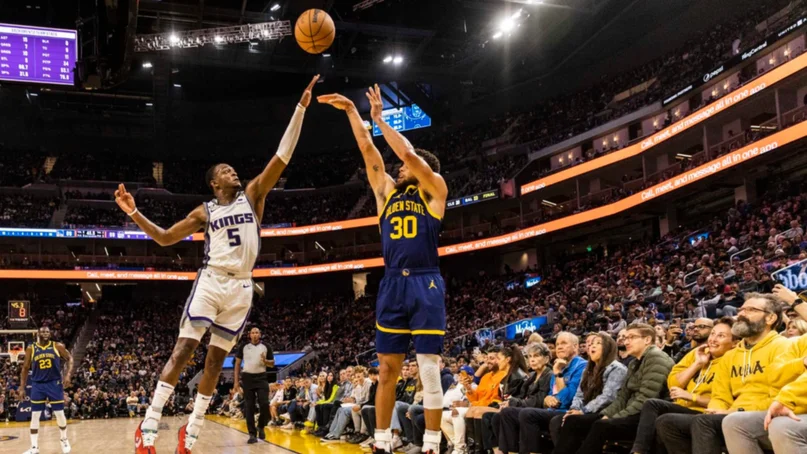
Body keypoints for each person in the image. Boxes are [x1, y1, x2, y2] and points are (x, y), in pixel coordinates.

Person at [123, 75, 319, 454]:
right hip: (212, 281)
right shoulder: (205, 210)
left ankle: (191, 433)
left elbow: (282, 156)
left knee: (215, 364)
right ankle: (148, 429)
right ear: (214, 183)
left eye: (233, 170)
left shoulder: (253, 196)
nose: (234, 173)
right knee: (183, 351)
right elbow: (165, 238)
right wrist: (134, 213)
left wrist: (300, 109)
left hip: (243, 287)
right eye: (226, 171)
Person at [319, 85, 449, 454]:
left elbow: (406, 151)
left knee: (427, 367)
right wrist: (351, 113)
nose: (398, 166)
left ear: (423, 170)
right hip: (392, 283)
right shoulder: (386, 195)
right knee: (387, 370)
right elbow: (369, 152)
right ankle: (380, 443)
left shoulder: (434, 190)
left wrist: (379, 119)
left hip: (426, 281)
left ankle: (431, 445)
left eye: (405, 166)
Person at [655, 293, 789, 454]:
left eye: (751, 310)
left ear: (770, 318)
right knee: (667, 422)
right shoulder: (731, 356)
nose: (741, 314)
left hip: (769, 415)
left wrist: (735, 411)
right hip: (733, 414)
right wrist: (716, 410)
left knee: (704, 422)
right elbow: (720, 396)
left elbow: (782, 397)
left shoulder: (783, 347)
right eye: (741, 309)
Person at [559, 324, 674, 454]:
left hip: (646, 416)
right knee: (573, 420)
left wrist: (615, 417)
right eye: (625, 338)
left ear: (647, 340)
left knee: (601, 425)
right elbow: (622, 396)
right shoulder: (634, 362)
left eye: (631, 337)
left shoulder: (657, 358)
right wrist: (607, 414)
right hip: (631, 411)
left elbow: (646, 398)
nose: (626, 341)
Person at [633, 317, 737, 454]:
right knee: (653, 405)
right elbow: (673, 383)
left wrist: (692, 397)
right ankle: (638, 452)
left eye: (721, 336)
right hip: (684, 407)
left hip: (705, 412)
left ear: (735, 343)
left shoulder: (733, 362)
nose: (713, 339)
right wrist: (697, 364)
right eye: (713, 334)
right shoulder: (697, 353)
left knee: (665, 421)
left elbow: (724, 403)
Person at [502, 332, 587, 454]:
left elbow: (567, 399)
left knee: (528, 414)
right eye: (557, 344)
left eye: (564, 343)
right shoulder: (558, 366)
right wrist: (548, 399)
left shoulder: (581, 366)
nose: (559, 347)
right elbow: (550, 397)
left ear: (575, 346)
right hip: (551, 410)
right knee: (508, 413)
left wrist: (557, 373)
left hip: (566, 411)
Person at [548, 332, 627, 453]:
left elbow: (608, 397)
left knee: (573, 421)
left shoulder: (617, 368)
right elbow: (579, 395)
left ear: (608, 348)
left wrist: (582, 411)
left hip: (605, 412)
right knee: (559, 421)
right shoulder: (588, 370)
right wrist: (573, 410)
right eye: (590, 344)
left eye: (598, 343)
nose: (592, 346)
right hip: (587, 412)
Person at [19, 326, 74, 454]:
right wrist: (22, 387)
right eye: (43, 331)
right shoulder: (31, 348)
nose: (45, 333)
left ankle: (64, 439)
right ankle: (34, 447)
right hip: (37, 384)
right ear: (38, 333)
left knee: (59, 414)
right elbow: (25, 368)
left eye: (47, 331)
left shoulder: (57, 346)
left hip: (54, 383)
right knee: (35, 416)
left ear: (50, 334)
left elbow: (70, 359)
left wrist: (68, 375)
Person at [491, 342, 553, 454]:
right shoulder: (533, 376)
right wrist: (510, 402)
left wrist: (514, 402)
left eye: (536, 356)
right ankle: (506, 451)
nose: (532, 360)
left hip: (539, 411)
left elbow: (539, 400)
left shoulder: (549, 375)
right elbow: (523, 397)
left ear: (546, 358)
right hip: (527, 408)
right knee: (497, 417)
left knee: (508, 413)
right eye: (530, 357)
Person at [232, 327, 275, 443]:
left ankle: (261, 426)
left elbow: (272, 364)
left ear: (260, 334)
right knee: (249, 406)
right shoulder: (243, 347)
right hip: (247, 378)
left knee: (265, 404)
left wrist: (265, 361)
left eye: (257, 332)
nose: (255, 334)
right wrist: (236, 382)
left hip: (261, 377)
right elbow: (237, 364)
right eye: (253, 333)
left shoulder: (266, 347)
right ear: (249, 335)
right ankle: (252, 434)